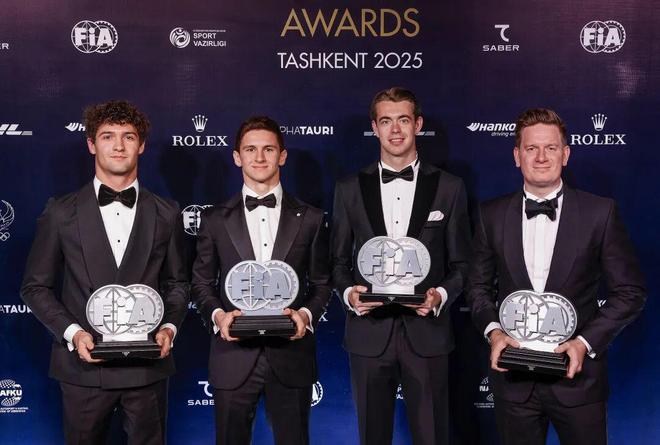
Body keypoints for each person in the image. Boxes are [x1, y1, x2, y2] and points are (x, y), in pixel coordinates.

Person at [466, 108, 646, 445]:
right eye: (531, 148)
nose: (541, 157)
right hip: (513, 378)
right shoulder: (491, 214)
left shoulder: (599, 212)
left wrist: (583, 343)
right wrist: (494, 333)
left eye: (550, 148)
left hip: (578, 380)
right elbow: (477, 287)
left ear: (565, 154)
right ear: (517, 156)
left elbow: (630, 292)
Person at [20, 100, 189, 444]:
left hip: (146, 366)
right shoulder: (60, 212)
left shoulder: (167, 212)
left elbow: (177, 283)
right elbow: (35, 287)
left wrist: (169, 328)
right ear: (91, 144)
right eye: (108, 136)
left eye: (129, 137)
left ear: (141, 145)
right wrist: (73, 334)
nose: (118, 145)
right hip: (83, 367)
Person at [330, 87, 471, 444]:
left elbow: (462, 264)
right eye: (386, 121)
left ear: (418, 125)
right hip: (368, 333)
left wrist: (440, 296)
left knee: (432, 436)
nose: (395, 130)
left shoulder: (450, 188)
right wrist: (349, 295)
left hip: (427, 334)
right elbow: (337, 261)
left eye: (403, 120)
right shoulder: (348, 189)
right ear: (374, 128)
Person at [191, 116, 331, 445]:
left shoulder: (311, 218)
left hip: (291, 355)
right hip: (233, 357)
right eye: (250, 149)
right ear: (237, 157)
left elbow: (322, 283)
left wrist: (305, 315)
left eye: (268, 149)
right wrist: (219, 316)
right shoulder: (214, 219)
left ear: (282, 156)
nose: (259, 157)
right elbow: (200, 283)